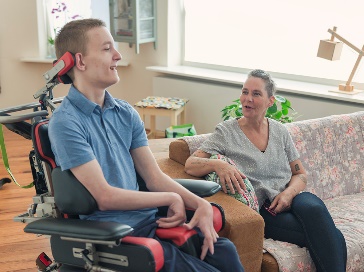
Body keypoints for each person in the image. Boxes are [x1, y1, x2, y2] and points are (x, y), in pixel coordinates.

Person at [48, 18, 244, 272]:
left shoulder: (125, 112)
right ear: (80, 61)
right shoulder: (66, 122)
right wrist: (171, 198)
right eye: (107, 49)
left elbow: (153, 177)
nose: (118, 55)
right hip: (116, 234)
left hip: (152, 221)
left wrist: (201, 204)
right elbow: (104, 197)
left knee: (224, 251)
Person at [185, 69, 347, 272]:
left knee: (314, 209)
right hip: (266, 210)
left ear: (270, 101)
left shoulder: (280, 131)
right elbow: (190, 165)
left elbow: (300, 174)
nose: (248, 99)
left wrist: (288, 194)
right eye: (245, 92)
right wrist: (219, 164)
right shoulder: (226, 132)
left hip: (292, 197)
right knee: (333, 236)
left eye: (256, 94)